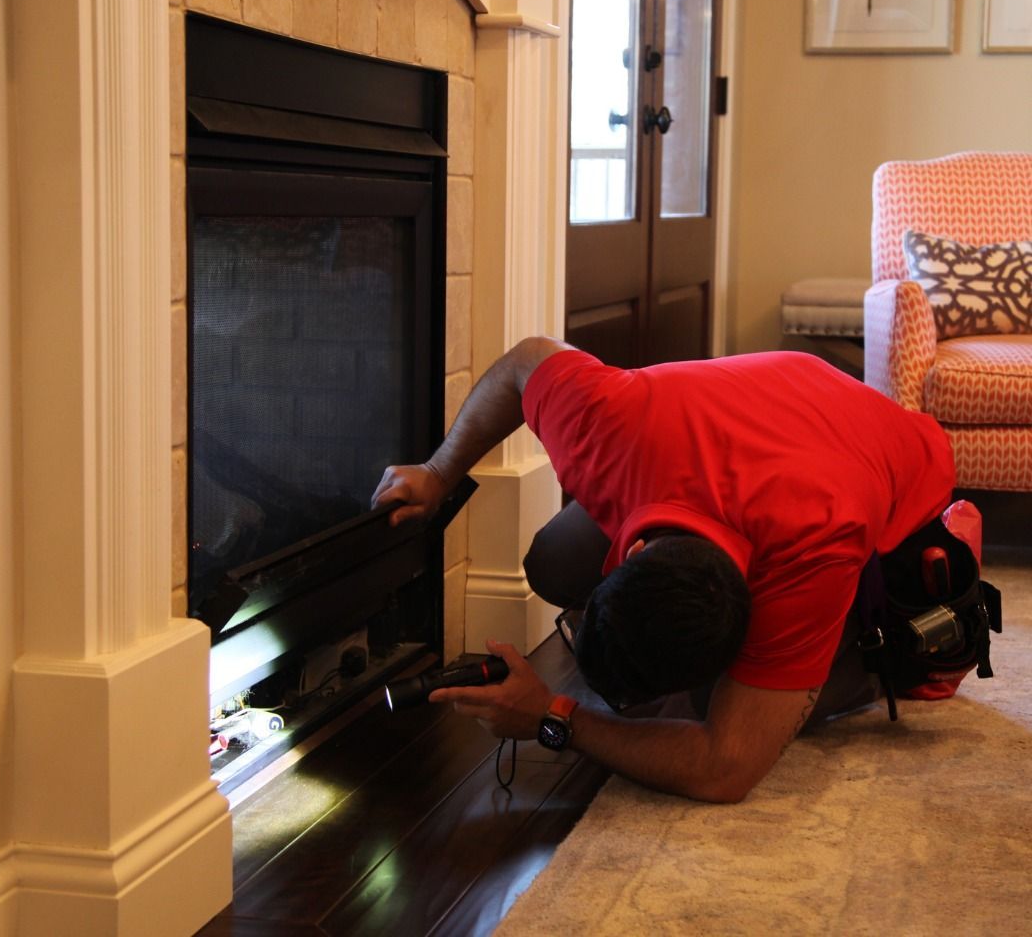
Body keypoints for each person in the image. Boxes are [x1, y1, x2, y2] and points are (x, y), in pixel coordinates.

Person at [371, 337, 956, 802]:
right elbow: (526, 362)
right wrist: (438, 472)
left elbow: (726, 769)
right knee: (552, 562)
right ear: (633, 552)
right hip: (743, 431)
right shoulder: (604, 426)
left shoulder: (816, 549)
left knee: (711, 714)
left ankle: (908, 619)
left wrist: (555, 716)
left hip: (887, 471)